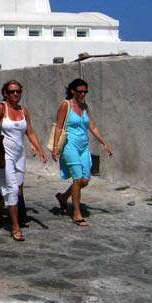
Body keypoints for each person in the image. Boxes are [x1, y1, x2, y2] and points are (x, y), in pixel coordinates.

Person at [0, 80, 47, 241]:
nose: (15, 94)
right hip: (5, 155)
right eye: (12, 91)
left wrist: (40, 149)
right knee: (13, 190)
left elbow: (30, 132)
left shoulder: (23, 111)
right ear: (5, 93)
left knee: (18, 188)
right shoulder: (0, 108)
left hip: (20, 155)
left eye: (18, 91)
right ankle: (15, 227)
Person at [51, 78, 114, 226]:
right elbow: (59, 127)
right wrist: (55, 148)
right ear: (73, 91)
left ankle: (63, 197)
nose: (83, 94)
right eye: (80, 92)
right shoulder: (65, 105)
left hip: (84, 147)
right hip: (69, 145)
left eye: (85, 92)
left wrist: (104, 142)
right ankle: (77, 213)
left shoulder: (84, 106)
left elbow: (92, 126)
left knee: (85, 180)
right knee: (77, 179)